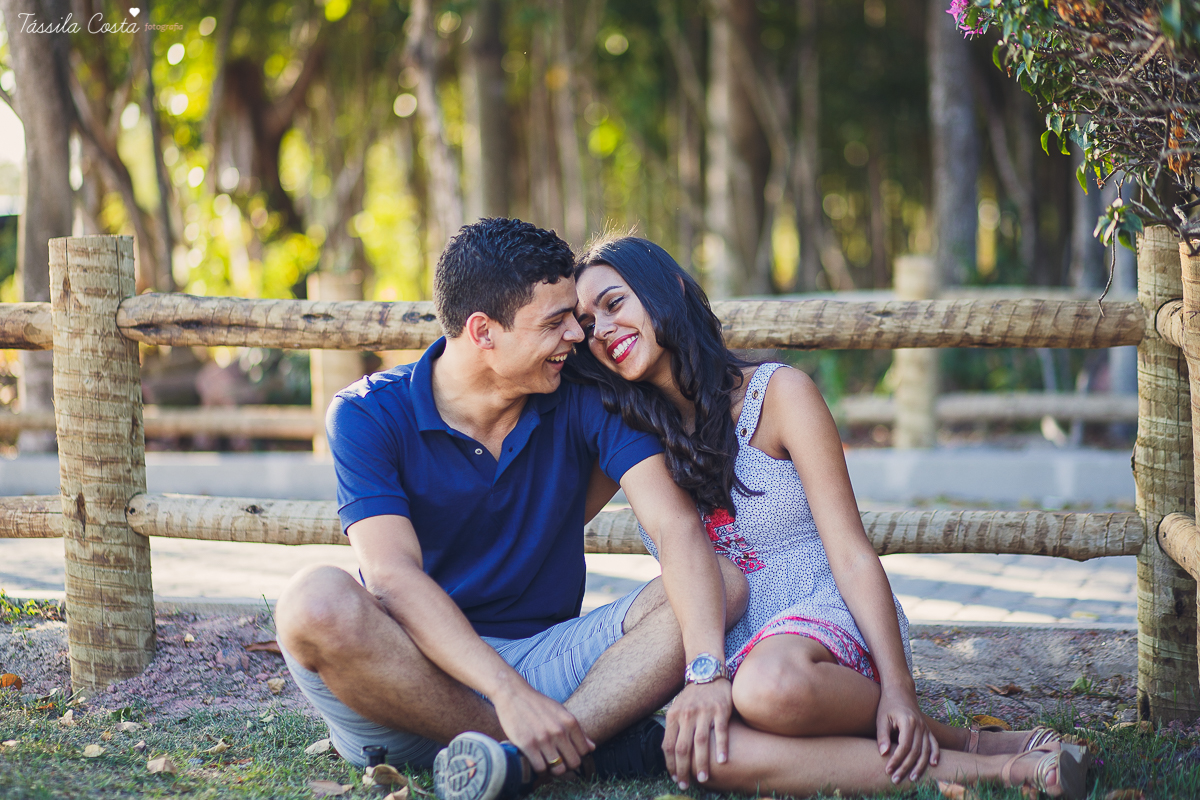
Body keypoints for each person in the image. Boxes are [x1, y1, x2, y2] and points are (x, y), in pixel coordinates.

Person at [567, 235, 1089, 799]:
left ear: (666, 289)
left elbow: (850, 551)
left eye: (613, 304)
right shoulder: (627, 439)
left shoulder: (779, 395)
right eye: (585, 323)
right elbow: (549, 516)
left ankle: (955, 736)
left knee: (769, 686)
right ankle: (1001, 767)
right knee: (706, 757)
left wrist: (899, 686)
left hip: (823, 623)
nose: (601, 331)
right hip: (719, 650)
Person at [274, 219, 750, 800]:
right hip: (410, 679)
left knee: (720, 583)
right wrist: (509, 695)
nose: (577, 335)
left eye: (572, 317)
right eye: (554, 323)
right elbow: (393, 578)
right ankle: (569, 749)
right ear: (483, 331)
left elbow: (675, 528)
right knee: (314, 602)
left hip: (552, 662)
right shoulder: (369, 413)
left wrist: (706, 671)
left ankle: (524, 760)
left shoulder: (583, 393)